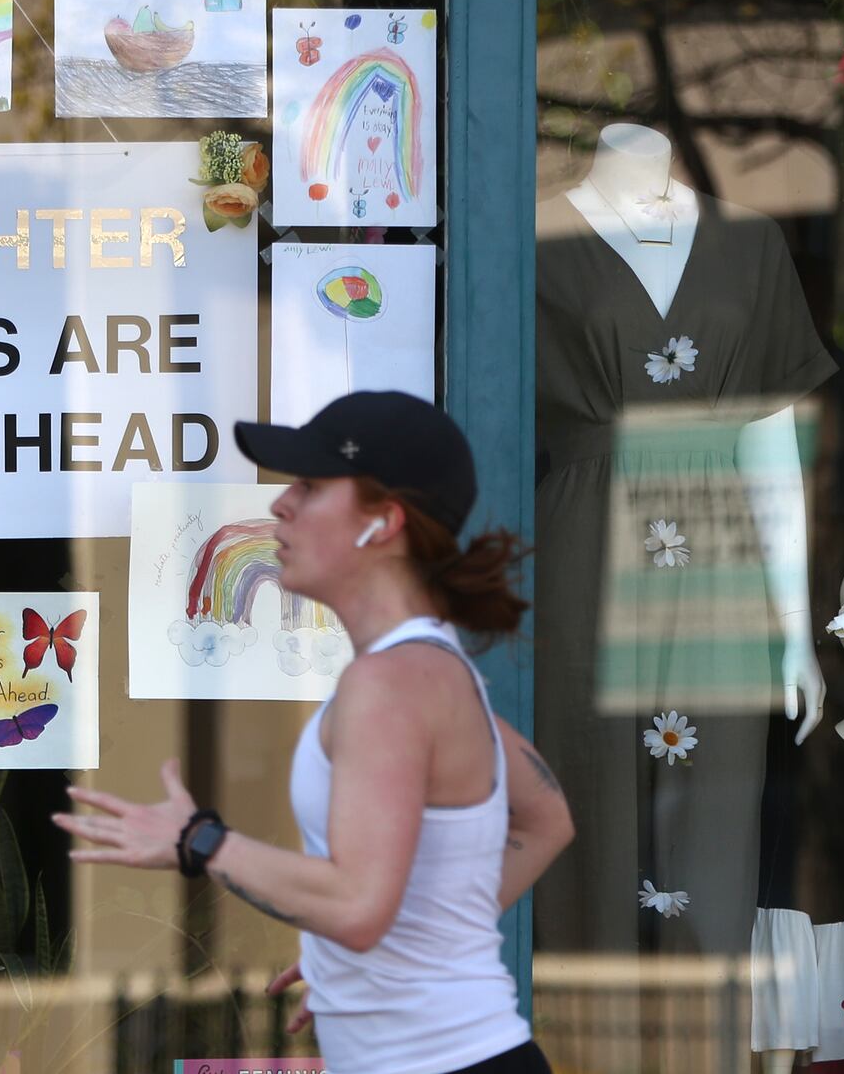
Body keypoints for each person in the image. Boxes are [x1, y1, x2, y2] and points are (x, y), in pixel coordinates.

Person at [51, 391, 574, 1074]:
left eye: (310, 484)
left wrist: (198, 839)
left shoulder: (390, 683)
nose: (280, 504)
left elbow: (358, 904)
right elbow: (547, 817)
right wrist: (371, 956)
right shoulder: (429, 668)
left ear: (382, 522)